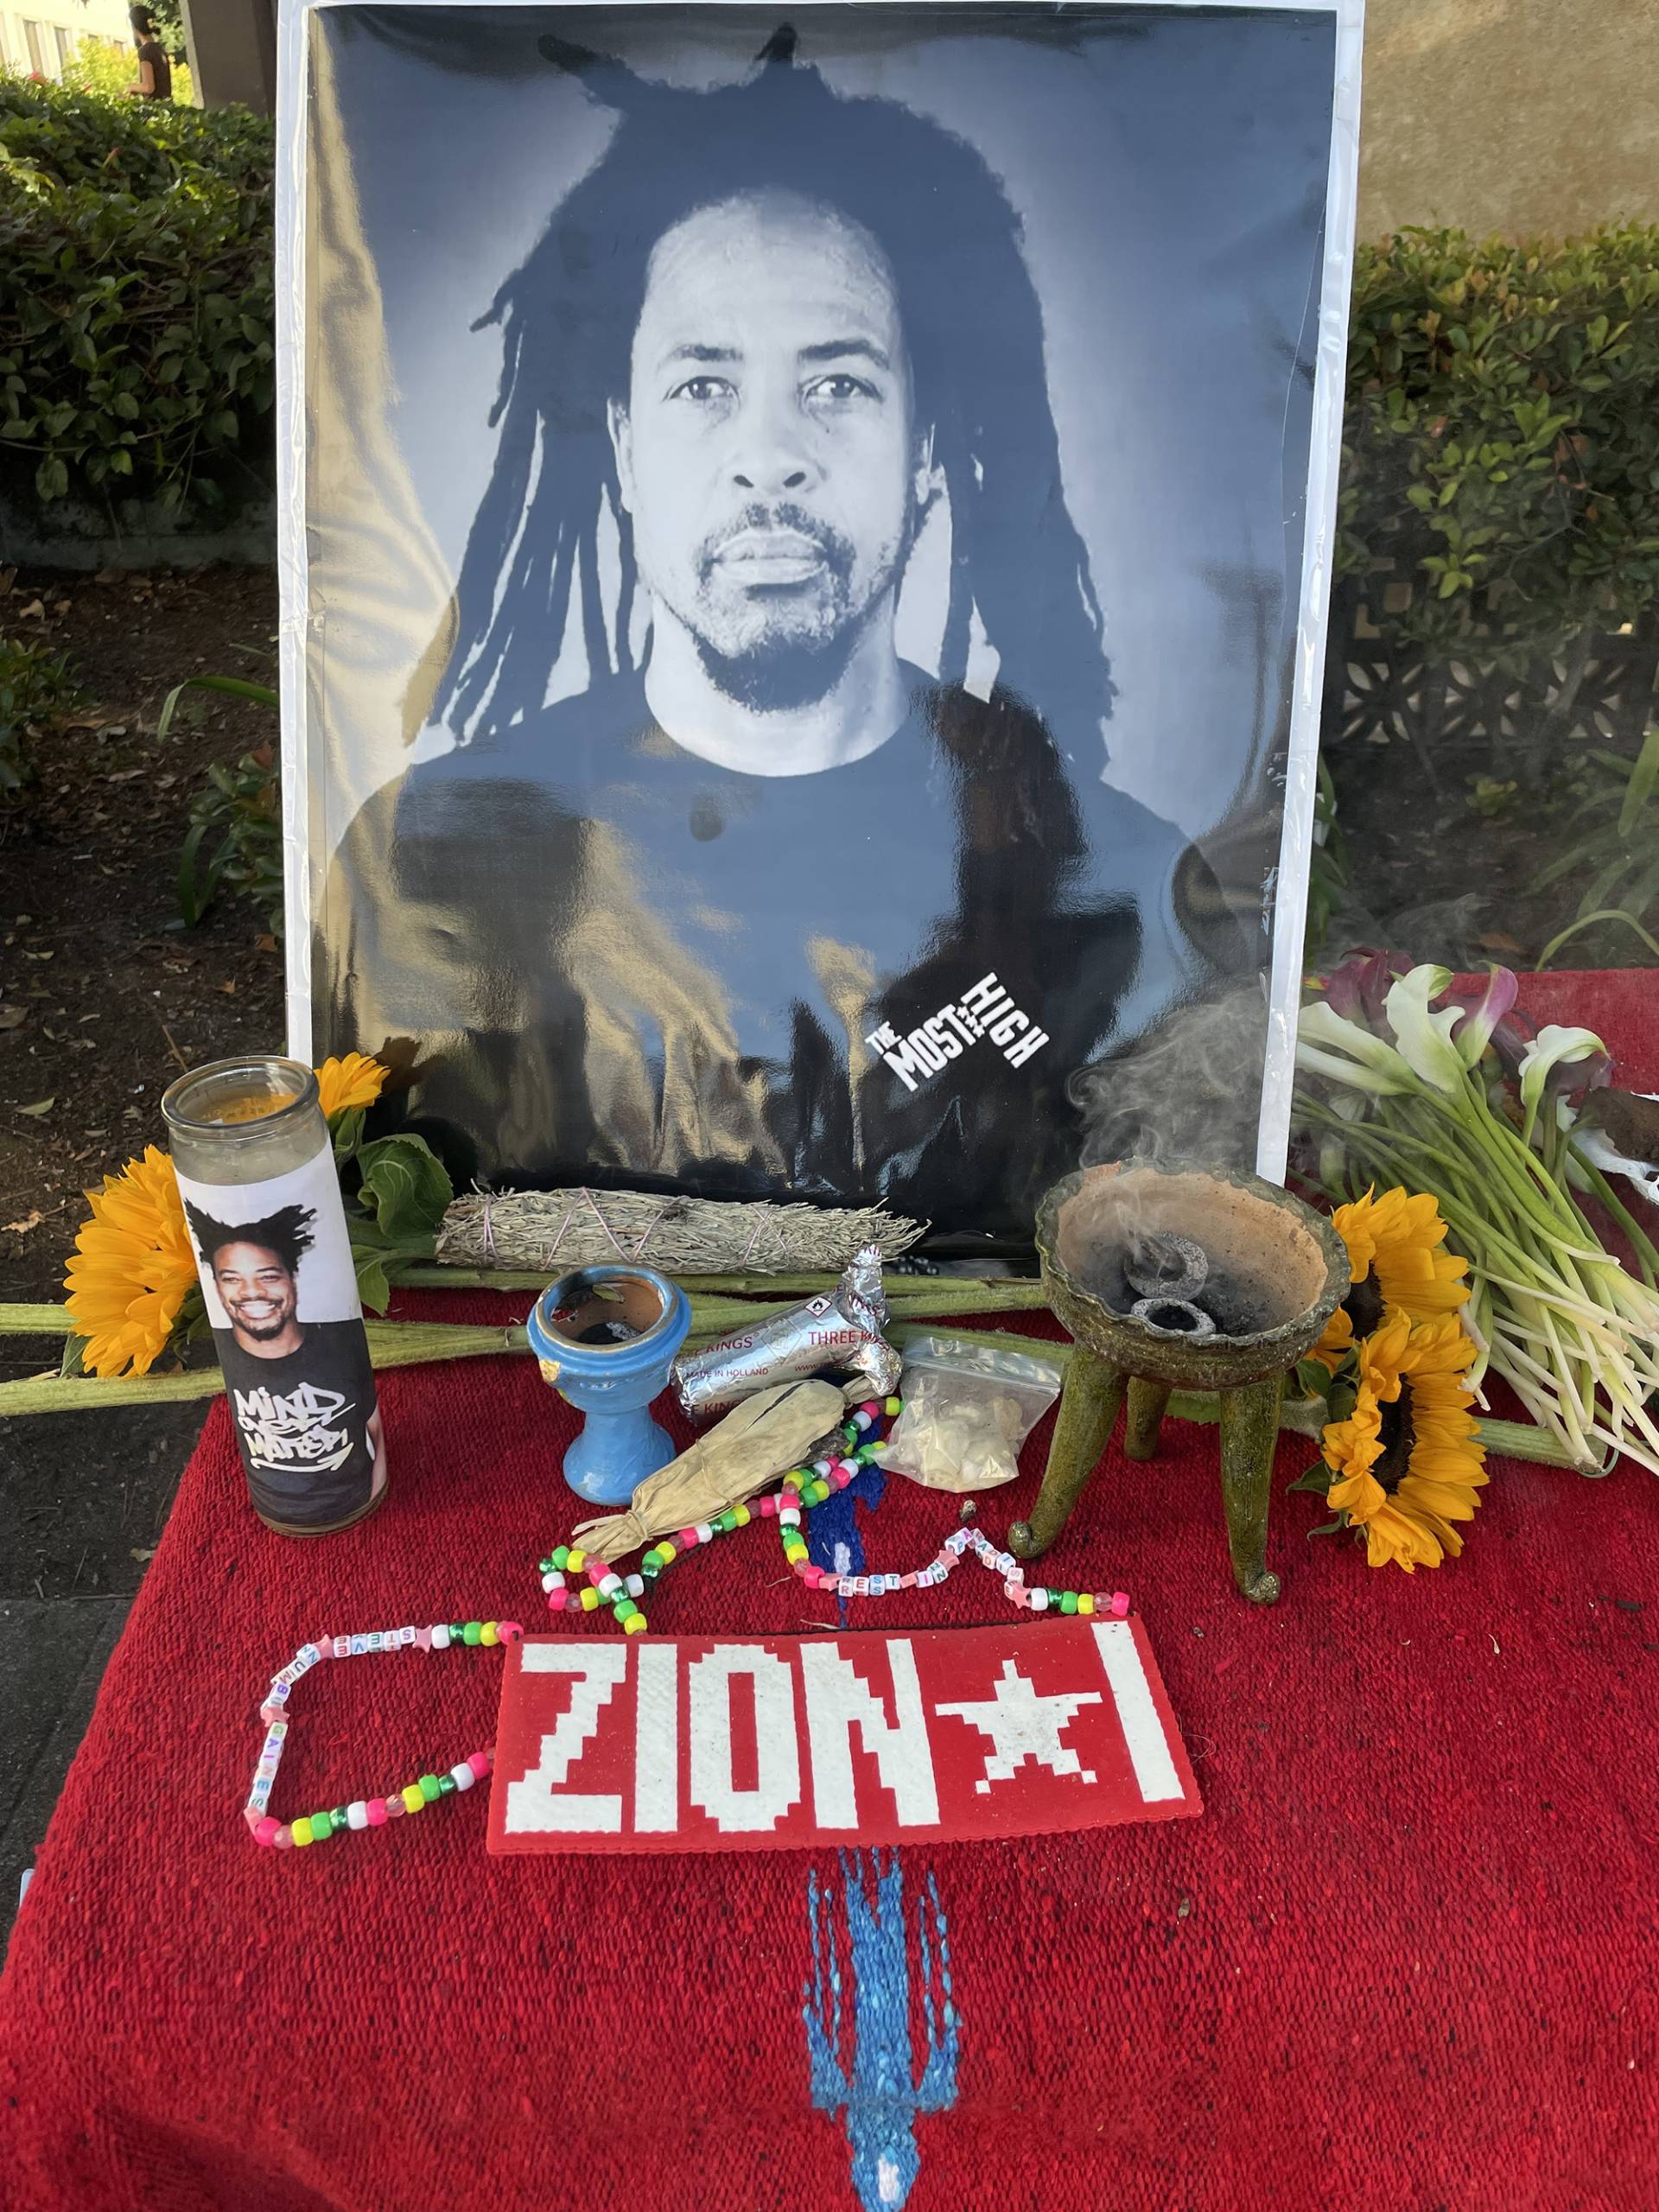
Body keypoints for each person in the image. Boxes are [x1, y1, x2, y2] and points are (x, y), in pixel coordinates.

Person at [321, 32, 1256, 1244]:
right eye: (705, 385)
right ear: (623, 447)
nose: (773, 455)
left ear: (925, 453)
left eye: (839, 383)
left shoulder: (1117, 882)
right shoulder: (423, 863)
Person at [183, 1201, 386, 1524]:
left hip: (361, 1504)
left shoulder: (339, 1341)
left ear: (293, 1279)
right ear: (217, 1287)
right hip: (277, 1517)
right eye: (232, 1278)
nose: (252, 1292)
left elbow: (372, 1428)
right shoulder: (230, 1352)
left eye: (268, 1276)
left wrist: (373, 1491)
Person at [124, 10, 173, 102]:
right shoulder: (160, 49)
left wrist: (131, 87)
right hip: (167, 104)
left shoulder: (145, 51)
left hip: (155, 108)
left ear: (134, 27)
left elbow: (148, 87)